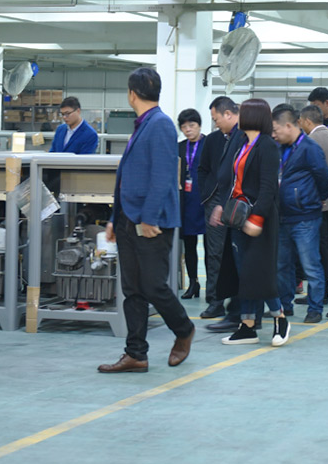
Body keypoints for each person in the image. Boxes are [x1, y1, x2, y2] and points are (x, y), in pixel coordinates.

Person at [98, 67, 194, 373]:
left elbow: (163, 176)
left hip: (150, 221)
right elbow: (126, 176)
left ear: (131, 94)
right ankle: (136, 353)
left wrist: (150, 218)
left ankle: (184, 329)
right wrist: (114, 217)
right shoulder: (143, 124)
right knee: (133, 290)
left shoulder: (161, 124)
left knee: (153, 286)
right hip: (128, 218)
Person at [210, 99, 289, 346]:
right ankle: (247, 326)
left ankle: (280, 318)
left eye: (243, 112)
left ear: (254, 115)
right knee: (244, 274)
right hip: (238, 217)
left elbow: (268, 188)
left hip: (259, 219)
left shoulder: (267, 146)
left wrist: (256, 218)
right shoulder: (242, 143)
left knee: (259, 272)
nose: (239, 116)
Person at [272, 105, 328, 324]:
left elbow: (324, 178)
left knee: (310, 265)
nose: (274, 134)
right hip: (282, 216)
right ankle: (285, 305)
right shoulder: (278, 148)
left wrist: (316, 199)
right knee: (282, 265)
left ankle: (315, 308)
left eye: (276, 129)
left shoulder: (309, 148)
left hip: (305, 217)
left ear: (289, 125)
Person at [197, 96, 243, 324]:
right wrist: (208, 194)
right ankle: (215, 300)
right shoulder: (212, 140)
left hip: (238, 202)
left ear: (228, 114)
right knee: (214, 253)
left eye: (216, 119)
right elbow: (202, 169)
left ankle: (238, 302)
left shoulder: (245, 137)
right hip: (215, 201)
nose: (215, 123)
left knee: (236, 253)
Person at [295, 104, 328, 309]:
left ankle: (320, 294)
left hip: (318, 204)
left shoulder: (308, 143)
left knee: (318, 252)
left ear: (307, 121)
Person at [177, 108, 206, 300]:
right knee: (189, 245)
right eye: (184, 126)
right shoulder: (179, 147)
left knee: (211, 248)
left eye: (192, 125)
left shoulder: (209, 144)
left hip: (205, 200)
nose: (188, 129)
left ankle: (213, 287)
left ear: (199, 125)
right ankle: (193, 282)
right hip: (186, 202)